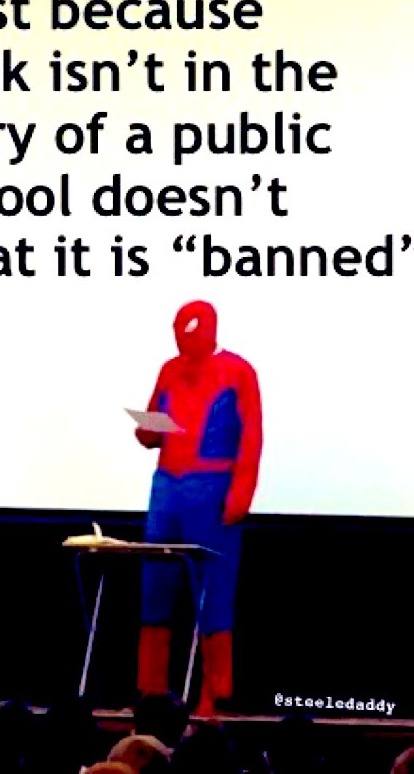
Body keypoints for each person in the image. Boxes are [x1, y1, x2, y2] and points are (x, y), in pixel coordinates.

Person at [135, 300, 263, 717]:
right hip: (168, 487)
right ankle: (150, 690)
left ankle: (215, 693)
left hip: (213, 487)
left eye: (190, 332)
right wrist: (146, 429)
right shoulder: (170, 370)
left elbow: (251, 437)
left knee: (213, 592)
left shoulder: (238, 371)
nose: (183, 341)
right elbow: (151, 430)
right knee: (156, 588)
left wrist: (240, 495)